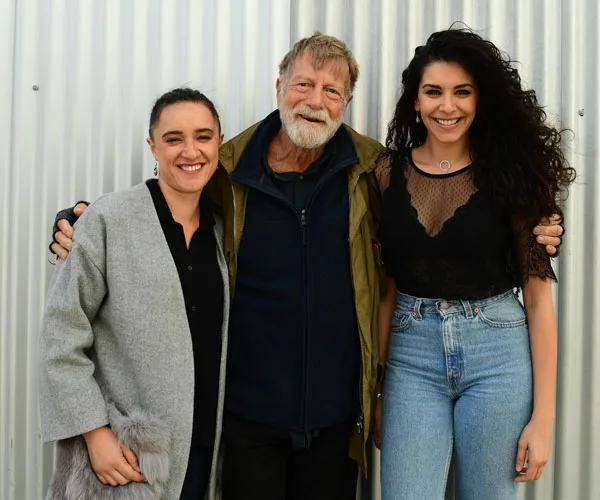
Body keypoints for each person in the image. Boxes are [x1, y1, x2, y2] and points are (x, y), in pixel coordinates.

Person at [49, 33, 564, 500]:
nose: (316, 101)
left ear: (347, 103)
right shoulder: (228, 169)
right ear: (279, 87)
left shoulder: (370, 170)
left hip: (336, 422)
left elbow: (431, 235)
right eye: (303, 84)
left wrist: (540, 227)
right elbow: (173, 189)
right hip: (248, 417)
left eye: (332, 91)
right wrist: (80, 220)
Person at [374, 28, 575, 500]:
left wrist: (543, 420)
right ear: (416, 101)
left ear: (480, 99)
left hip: (498, 357)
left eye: (462, 92)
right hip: (411, 359)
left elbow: (540, 303)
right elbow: (385, 290)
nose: (448, 106)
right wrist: (378, 391)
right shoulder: (385, 174)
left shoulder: (514, 176)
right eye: (434, 92)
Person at [40, 88, 229, 500]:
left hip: (204, 454)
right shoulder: (109, 219)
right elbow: (61, 336)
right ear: (152, 147)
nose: (190, 151)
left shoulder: (222, 233)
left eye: (203, 136)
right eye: (173, 139)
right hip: (124, 457)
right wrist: (95, 434)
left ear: (219, 142)